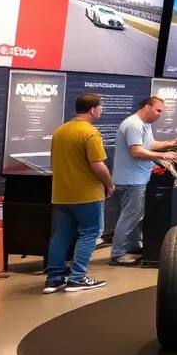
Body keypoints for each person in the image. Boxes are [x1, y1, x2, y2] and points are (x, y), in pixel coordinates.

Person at [44, 93, 114, 293]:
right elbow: (97, 165)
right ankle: (77, 278)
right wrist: (109, 184)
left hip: (61, 194)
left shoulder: (60, 131)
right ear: (93, 109)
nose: (102, 110)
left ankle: (54, 278)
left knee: (61, 235)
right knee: (91, 233)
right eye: (101, 107)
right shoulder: (90, 132)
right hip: (87, 195)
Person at [109, 96, 177, 266]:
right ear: (147, 107)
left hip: (138, 179)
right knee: (130, 216)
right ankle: (118, 254)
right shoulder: (133, 124)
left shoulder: (145, 125)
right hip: (131, 180)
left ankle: (133, 246)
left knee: (136, 215)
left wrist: (170, 143)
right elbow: (137, 151)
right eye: (158, 110)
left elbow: (149, 145)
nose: (160, 114)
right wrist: (163, 155)